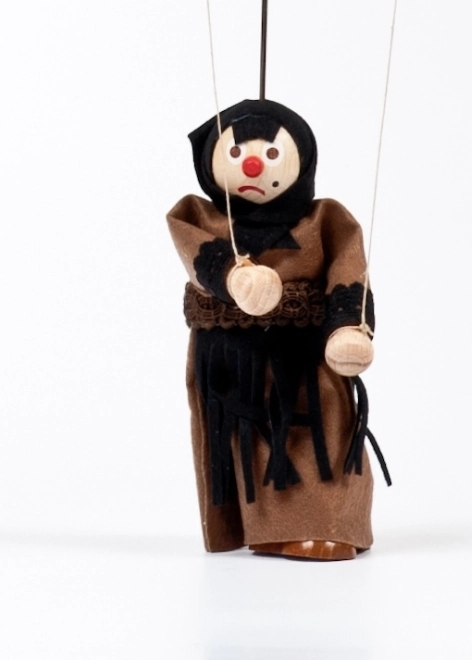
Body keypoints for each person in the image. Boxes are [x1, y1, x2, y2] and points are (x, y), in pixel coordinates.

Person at [167, 99, 388, 561]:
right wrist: (235, 279)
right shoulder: (201, 217)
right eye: (237, 153)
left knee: (318, 437)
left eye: (271, 154)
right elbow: (199, 256)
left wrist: (349, 327)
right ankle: (264, 527)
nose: (252, 165)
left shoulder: (325, 221)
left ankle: (327, 525)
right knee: (245, 444)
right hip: (230, 361)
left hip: (303, 358)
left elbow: (349, 274)